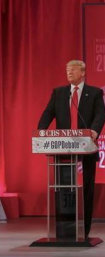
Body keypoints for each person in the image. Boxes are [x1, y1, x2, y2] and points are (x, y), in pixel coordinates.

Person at [38, 60, 105, 238]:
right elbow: (48, 112)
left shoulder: (95, 93)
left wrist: (94, 130)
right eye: (67, 69)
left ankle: (85, 230)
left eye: (73, 69)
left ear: (83, 73)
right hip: (64, 148)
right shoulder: (59, 93)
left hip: (87, 146)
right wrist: (41, 131)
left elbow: (100, 114)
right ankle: (65, 229)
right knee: (64, 187)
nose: (69, 72)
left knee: (87, 190)